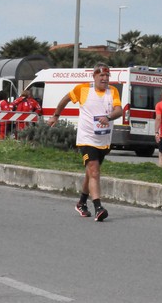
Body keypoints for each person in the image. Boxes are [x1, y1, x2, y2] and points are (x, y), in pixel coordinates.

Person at [47, 63, 122, 222]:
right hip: (86, 139)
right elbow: (65, 99)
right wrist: (56, 115)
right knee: (94, 171)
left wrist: (108, 117)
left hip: (103, 140)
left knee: (91, 172)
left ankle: (81, 203)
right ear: (94, 76)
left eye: (107, 76)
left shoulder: (113, 91)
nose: (104, 78)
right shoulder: (83, 89)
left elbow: (118, 110)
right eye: (101, 75)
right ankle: (98, 208)